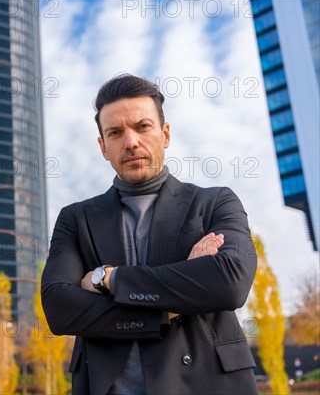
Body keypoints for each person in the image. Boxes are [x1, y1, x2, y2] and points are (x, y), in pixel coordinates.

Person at [41, 74, 258, 394]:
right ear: (103, 147)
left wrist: (107, 280)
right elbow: (59, 309)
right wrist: (177, 300)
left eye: (142, 126)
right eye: (115, 132)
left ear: (165, 133)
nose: (130, 142)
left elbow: (229, 283)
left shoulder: (215, 202)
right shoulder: (76, 219)